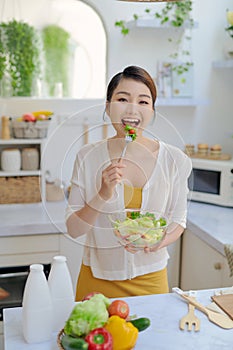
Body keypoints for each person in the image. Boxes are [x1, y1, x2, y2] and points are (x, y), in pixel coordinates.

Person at [66, 65, 192, 301]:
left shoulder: (175, 159)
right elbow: (74, 229)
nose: (133, 108)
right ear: (108, 106)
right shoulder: (87, 156)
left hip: (151, 279)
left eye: (143, 101)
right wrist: (102, 194)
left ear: (152, 110)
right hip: (97, 280)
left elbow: (179, 221)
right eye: (123, 99)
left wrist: (159, 242)